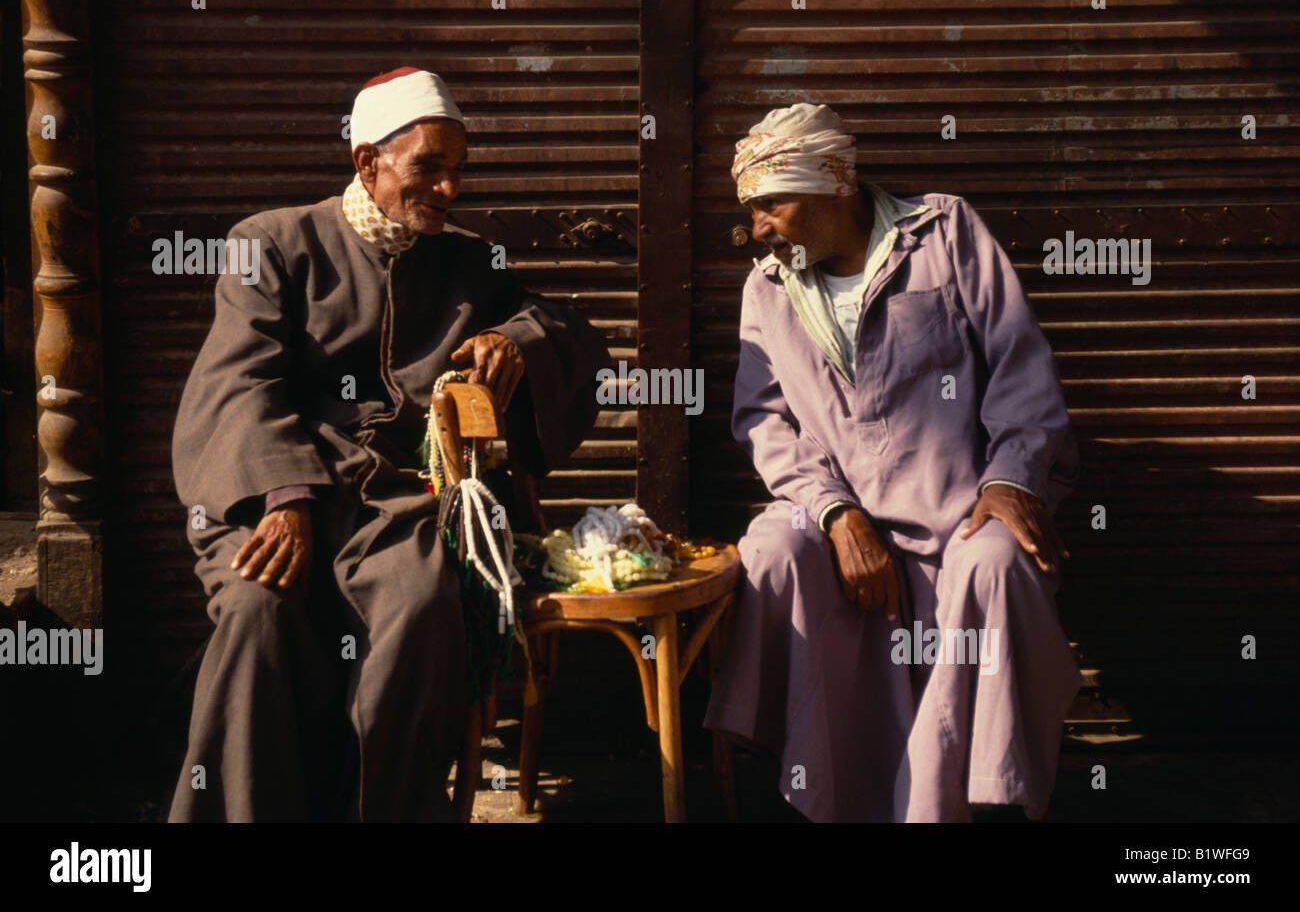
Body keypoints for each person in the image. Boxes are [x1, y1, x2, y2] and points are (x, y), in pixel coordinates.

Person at [168, 67, 609, 821]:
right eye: (428, 168)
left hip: (401, 508)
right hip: (276, 495)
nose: (448, 189)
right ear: (366, 162)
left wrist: (514, 337)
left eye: (458, 171)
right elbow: (240, 381)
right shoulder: (272, 243)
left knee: (420, 605)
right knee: (256, 612)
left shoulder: (469, 259)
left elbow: (569, 329)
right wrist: (285, 498)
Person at [703, 102, 1082, 822]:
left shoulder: (942, 234)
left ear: (834, 182)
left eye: (770, 204)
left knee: (995, 564)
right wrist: (837, 513)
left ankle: (991, 802)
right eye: (750, 210)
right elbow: (764, 420)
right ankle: (811, 786)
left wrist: (1008, 480)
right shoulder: (767, 289)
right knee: (774, 546)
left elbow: (1018, 361)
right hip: (851, 515)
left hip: (961, 504)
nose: (757, 228)